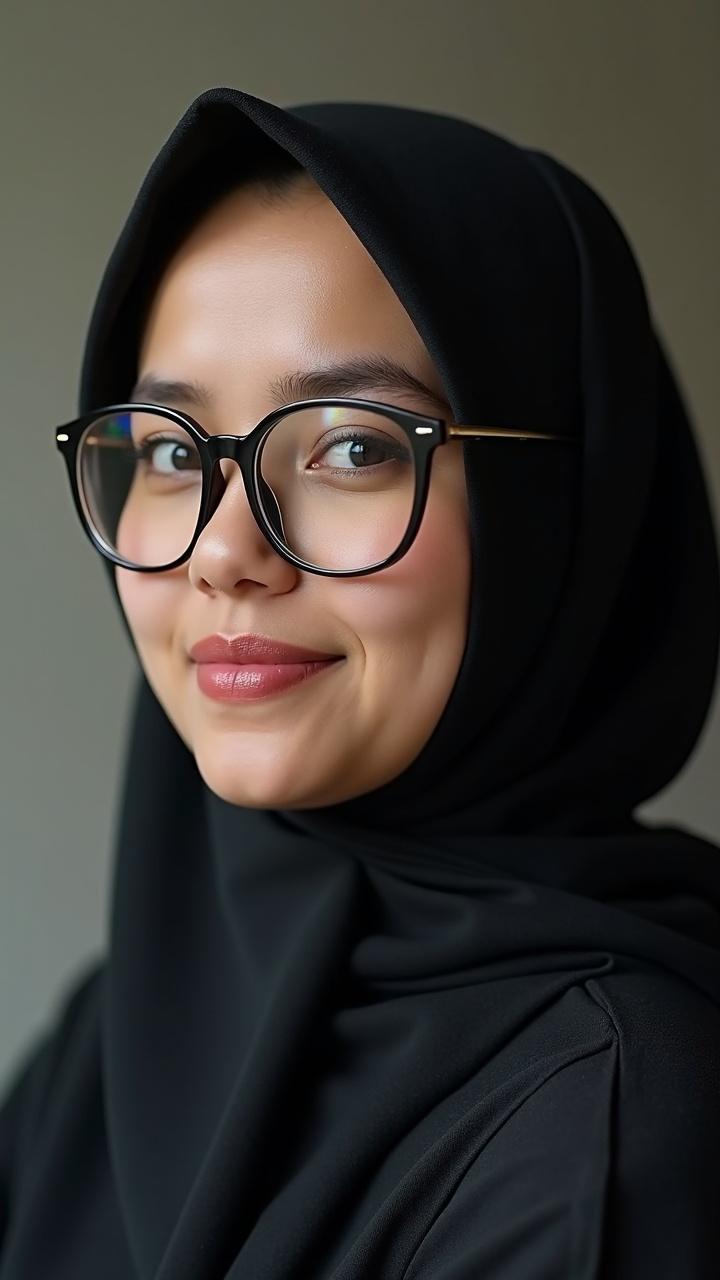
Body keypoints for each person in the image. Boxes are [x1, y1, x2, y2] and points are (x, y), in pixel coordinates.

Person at [1, 85, 719, 1279]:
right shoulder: (125, 1027)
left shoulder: (611, 1118)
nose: (228, 552)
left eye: (352, 444)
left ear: (556, 515)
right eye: (177, 453)